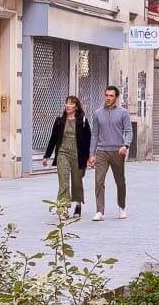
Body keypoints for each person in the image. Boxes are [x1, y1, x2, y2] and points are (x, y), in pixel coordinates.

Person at [88, 85, 133, 220]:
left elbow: (129, 131)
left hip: (118, 151)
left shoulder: (123, 113)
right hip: (102, 151)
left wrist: (125, 145)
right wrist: (92, 154)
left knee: (120, 181)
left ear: (116, 97)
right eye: (106, 95)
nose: (108, 98)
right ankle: (100, 211)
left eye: (111, 96)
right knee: (98, 181)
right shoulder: (97, 113)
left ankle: (122, 207)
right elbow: (94, 134)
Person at [41, 94, 90, 219]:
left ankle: (78, 205)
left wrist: (89, 157)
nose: (68, 105)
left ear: (76, 107)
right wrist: (46, 156)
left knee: (76, 182)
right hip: (62, 153)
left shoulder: (83, 121)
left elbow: (88, 140)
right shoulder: (59, 121)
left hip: (78, 154)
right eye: (67, 103)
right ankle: (63, 208)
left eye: (71, 103)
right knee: (63, 182)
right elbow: (53, 139)